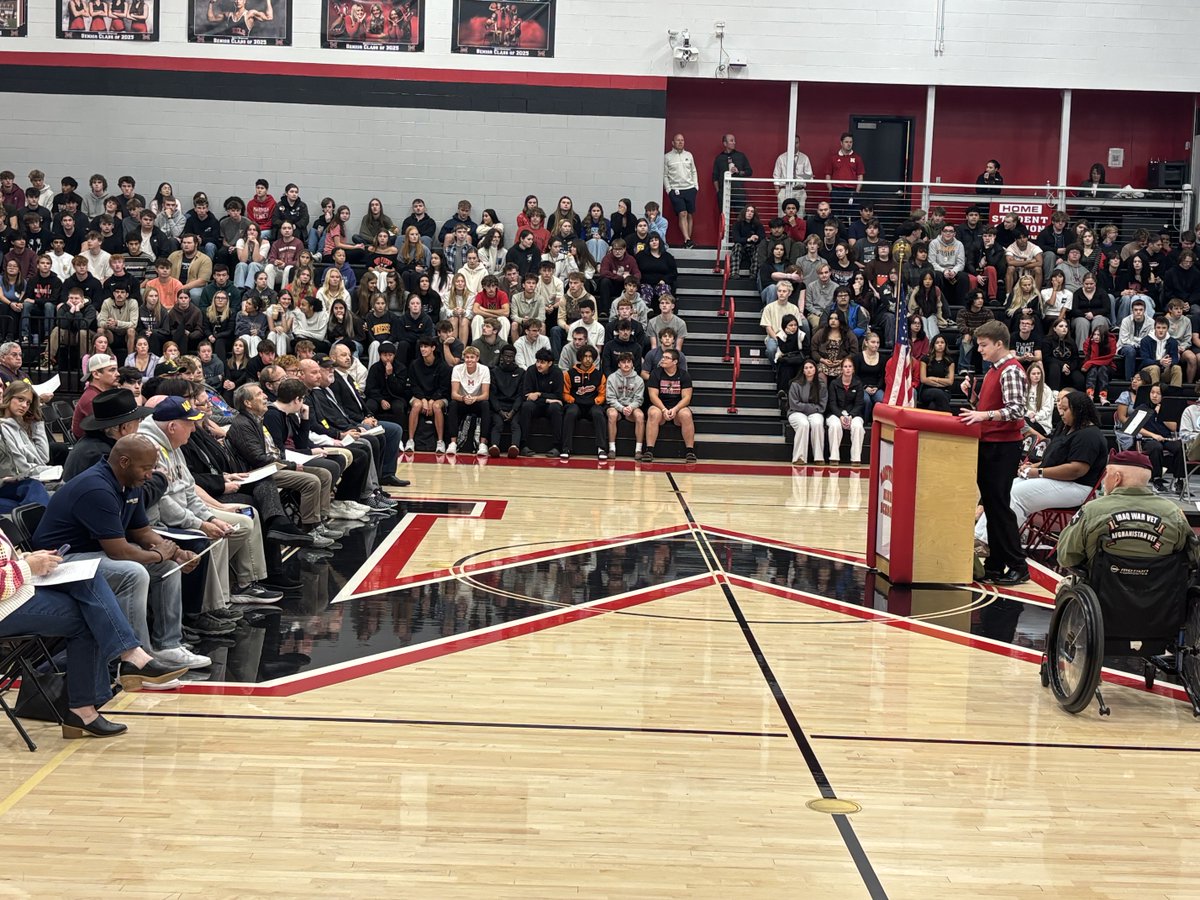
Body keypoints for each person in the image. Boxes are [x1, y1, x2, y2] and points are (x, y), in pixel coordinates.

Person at [31, 435, 209, 671]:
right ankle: (139, 661)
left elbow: (142, 532)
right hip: (58, 562)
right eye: (145, 468)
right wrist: (159, 554)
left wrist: (174, 553)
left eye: (152, 468)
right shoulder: (96, 488)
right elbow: (118, 551)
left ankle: (168, 645)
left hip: (93, 556)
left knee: (166, 568)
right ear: (124, 462)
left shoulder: (128, 484)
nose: (149, 475)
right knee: (132, 572)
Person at [975, 390, 1108, 557]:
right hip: (1058, 480)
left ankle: (992, 542)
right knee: (1004, 489)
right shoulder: (1065, 427)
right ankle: (980, 536)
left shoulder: (1090, 435)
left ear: (1079, 409)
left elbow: (1076, 470)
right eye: (1060, 408)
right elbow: (1052, 459)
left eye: (1065, 409)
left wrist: (1038, 472)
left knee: (1016, 494)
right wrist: (1032, 466)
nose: (1061, 413)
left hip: (1077, 487)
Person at [959, 320, 1031, 585]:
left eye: (983, 345)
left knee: (999, 507)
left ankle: (1018, 565)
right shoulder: (994, 370)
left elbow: (1016, 410)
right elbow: (991, 408)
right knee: (991, 505)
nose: (979, 349)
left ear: (999, 344)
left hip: (1003, 447)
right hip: (991, 443)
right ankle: (995, 563)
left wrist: (983, 413)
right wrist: (972, 397)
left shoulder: (1011, 370)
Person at [1057, 450, 1199, 574]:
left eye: (1107, 475)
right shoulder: (1173, 512)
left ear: (1117, 478)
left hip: (1102, 592)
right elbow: (1192, 555)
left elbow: (1066, 557)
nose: (1104, 480)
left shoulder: (1091, 510)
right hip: (1160, 596)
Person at [644, 349, 695, 463]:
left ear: (675, 361)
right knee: (653, 413)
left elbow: (687, 398)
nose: (663, 359)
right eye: (663, 357)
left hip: (677, 407)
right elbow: (653, 396)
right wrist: (663, 409)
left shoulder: (684, 375)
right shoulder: (655, 373)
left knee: (686, 414)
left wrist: (675, 409)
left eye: (667, 358)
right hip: (659, 406)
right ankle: (649, 450)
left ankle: (690, 451)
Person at [1135, 382, 1185, 491]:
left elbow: (1173, 427)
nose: (1154, 396)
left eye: (1158, 393)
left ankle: (1179, 479)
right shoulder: (1143, 407)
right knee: (1156, 447)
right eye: (1152, 392)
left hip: (1166, 438)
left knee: (1179, 447)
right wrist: (1153, 435)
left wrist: (1162, 413)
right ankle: (1156, 479)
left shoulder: (1168, 408)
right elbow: (1136, 428)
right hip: (1148, 439)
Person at [787, 359, 827, 465]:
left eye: (811, 367)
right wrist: (812, 407)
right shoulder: (795, 384)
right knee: (803, 424)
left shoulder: (822, 385)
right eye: (806, 368)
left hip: (815, 413)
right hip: (796, 412)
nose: (809, 370)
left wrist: (807, 407)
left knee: (818, 423)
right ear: (803, 371)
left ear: (815, 369)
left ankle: (819, 457)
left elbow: (822, 406)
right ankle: (799, 457)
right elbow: (794, 404)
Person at [663, 133, 698, 248]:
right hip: (676, 190)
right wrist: (669, 190)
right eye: (678, 140)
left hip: (690, 189)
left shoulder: (689, 155)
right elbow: (665, 175)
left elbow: (693, 171)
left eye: (682, 140)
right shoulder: (667, 157)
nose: (680, 142)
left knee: (689, 214)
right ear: (673, 143)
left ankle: (687, 242)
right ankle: (687, 239)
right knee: (682, 213)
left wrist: (695, 186)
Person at [825, 132, 865, 222]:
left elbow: (860, 176)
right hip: (836, 190)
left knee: (851, 215)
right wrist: (830, 190)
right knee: (835, 215)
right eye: (846, 142)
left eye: (851, 142)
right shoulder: (833, 158)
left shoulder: (857, 158)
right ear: (841, 143)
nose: (849, 144)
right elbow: (828, 175)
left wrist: (857, 191)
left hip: (851, 191)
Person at [773, 135, 814, 217]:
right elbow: (776, 176)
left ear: (799, 143)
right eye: (792, 143)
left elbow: (810, 177)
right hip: (784, 189)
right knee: (782, 217)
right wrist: (778, 193)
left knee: (800, 216)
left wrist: (800, 176)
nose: (794, 145)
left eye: (796, 143)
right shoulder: (781, 158)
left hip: (799, 190)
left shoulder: (804, 158)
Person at [712, 133, 752, 215]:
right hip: (724, 193)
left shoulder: (741, 156)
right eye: (731, 140)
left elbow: (749, 171)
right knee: (724, 217)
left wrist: (739, 172)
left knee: (741, 217)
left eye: (734, 140)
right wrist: (718, 192)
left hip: (738, 193)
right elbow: (715, 176)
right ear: (725, 143)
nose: (734, 142)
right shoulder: (719, 158)